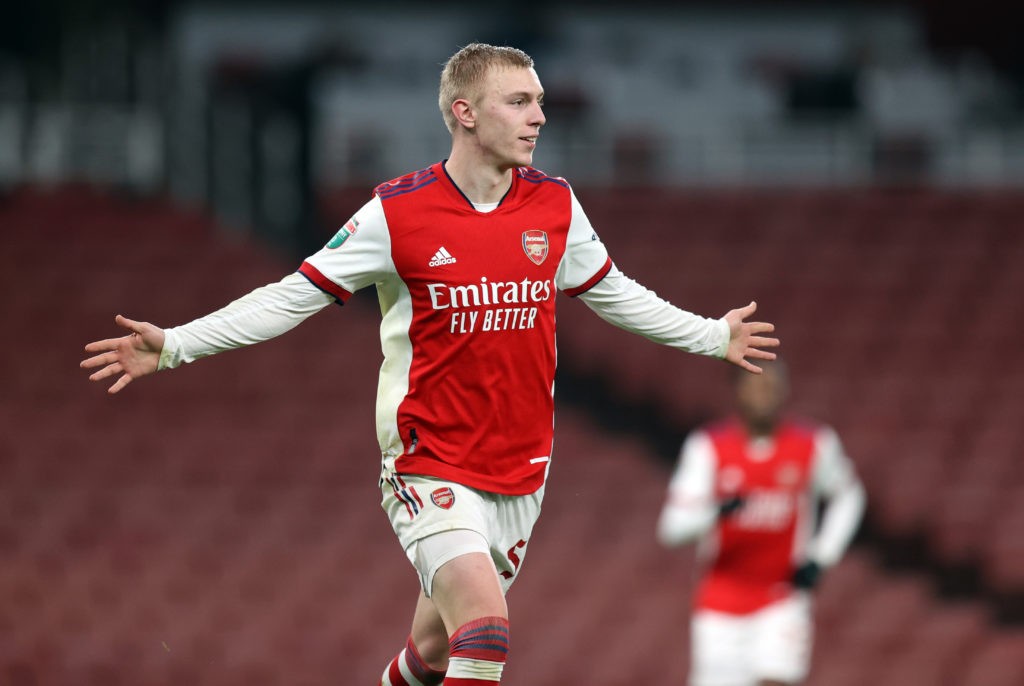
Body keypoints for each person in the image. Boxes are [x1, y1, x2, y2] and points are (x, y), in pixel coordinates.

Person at [82, 43, 779, 686]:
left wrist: (712, 336)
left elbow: (615, 294)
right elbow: (291, 297)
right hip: (429, 462)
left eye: (539, 102)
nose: (539, 116)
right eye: (519, 102)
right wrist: (175, 344)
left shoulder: (555, 205)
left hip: (522, 469)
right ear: (465, 112)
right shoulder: (397, 214)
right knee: (484, 630)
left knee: (437, 651)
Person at [657, 358, 865, 686]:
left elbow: (849, 496)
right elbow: (672, 529)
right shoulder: (708, 447)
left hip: (782, 596)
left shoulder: (812, 443)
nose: (764, 395)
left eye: (771, 386)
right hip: (720, 603)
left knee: (776, 679)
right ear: (737, 391)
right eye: (756, 386)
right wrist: (717, 511)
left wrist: (823, 555)